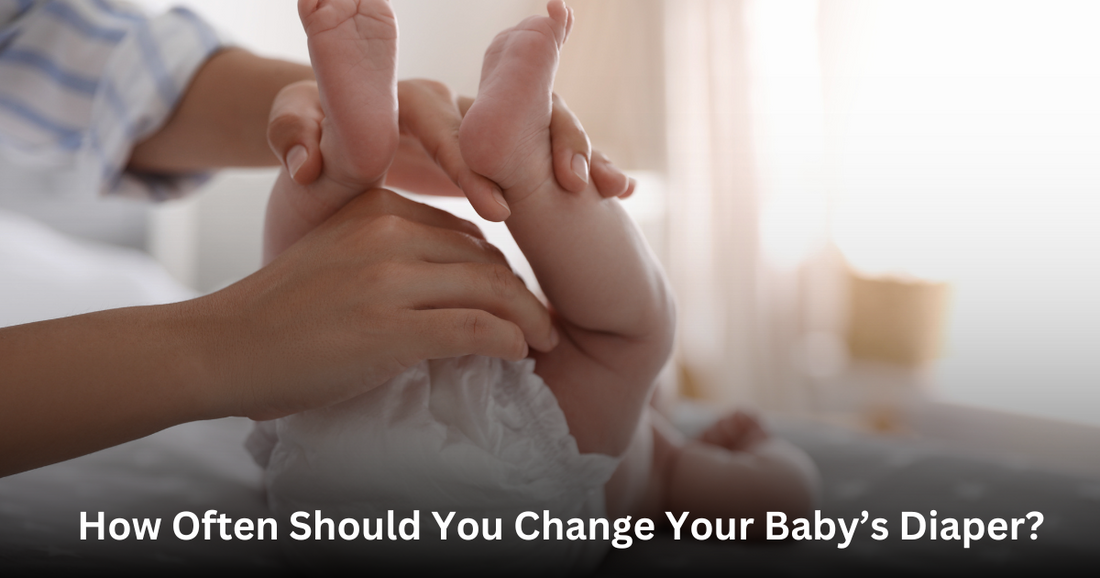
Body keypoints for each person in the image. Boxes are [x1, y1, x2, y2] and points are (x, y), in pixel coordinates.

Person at [251, 1, 819, 573]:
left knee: (301, 302)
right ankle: (368, 166)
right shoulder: (663, 470)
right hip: (361, 507)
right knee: (290, 308)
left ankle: (358, 161)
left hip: (327, 470)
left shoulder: (655, 449)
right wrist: (763, 450)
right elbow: (787, 506)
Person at [0, 0, 632, 478]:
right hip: (489, 484)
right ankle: (486, 168)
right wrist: (226, 340)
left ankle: (348, 151)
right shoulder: (640, 457)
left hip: (342, 479)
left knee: (619, 337)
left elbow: (44, 45)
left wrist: (337, 114)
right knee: (624, 340)